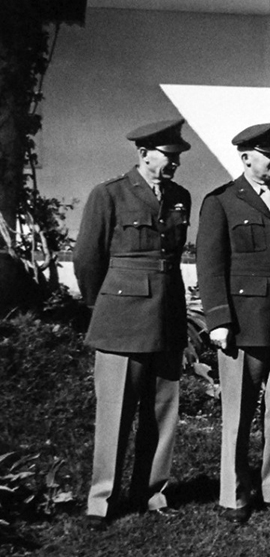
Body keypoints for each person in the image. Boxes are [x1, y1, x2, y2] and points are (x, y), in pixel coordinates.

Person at [74, 119, 192, 530]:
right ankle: (101, 500)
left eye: (177, 157)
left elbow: (172, 258)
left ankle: (151, 492)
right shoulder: (109, 194)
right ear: (144, 154)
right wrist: (101, 306)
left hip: (168, 314)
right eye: (169, 156)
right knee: (115, 414)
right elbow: (87, 259)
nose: (175, 163)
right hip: (122, 318)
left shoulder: (180, 197)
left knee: (162, 411)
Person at [196, 122, 270, 526]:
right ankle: (234, 495)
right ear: (246, 158)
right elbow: (210, 267)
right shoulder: (222, 202)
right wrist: (218, 320)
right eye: (268, 155)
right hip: (243, 325)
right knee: (238, 414)